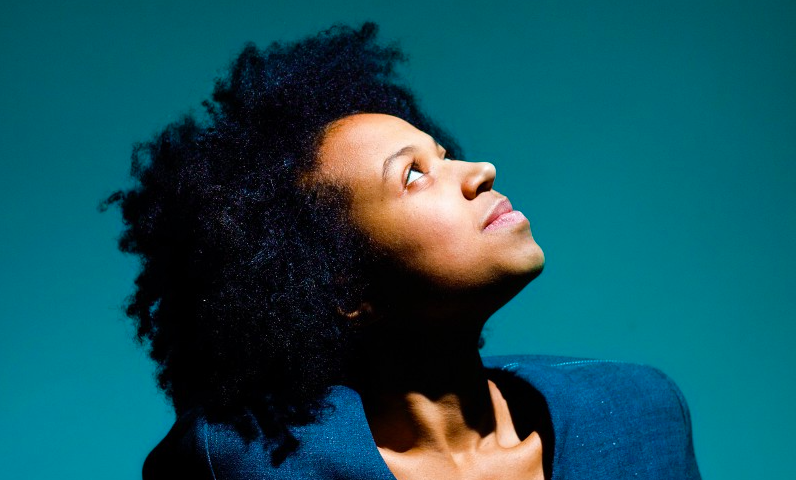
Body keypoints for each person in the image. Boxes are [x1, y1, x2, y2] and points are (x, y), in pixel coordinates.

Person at [104, 23, 700, 479]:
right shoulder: (247, 464)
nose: (481, 172)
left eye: (443, 154)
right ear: (343, 289)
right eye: (413, 175)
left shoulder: (640, 417)